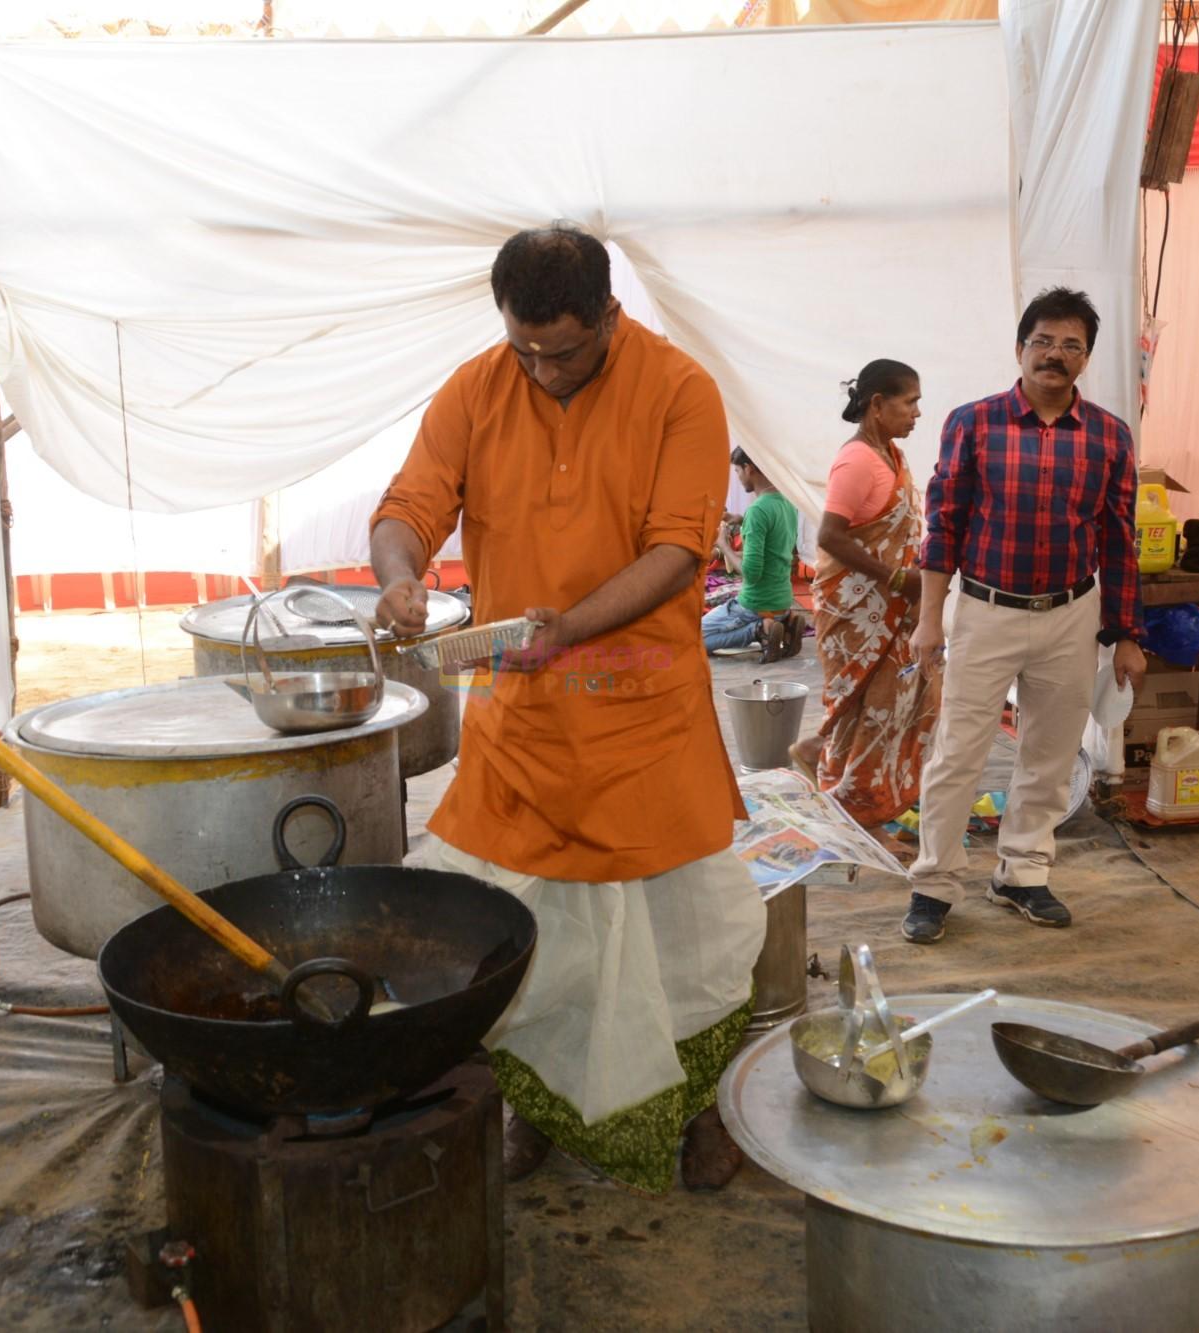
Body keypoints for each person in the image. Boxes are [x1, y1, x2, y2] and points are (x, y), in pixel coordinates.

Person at [370, 225, 765, 1195]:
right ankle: (533, 1111)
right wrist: (397, 577)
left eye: (564, 351)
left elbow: (678, 549)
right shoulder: (476, 386)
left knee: (688, 937)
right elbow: (410, 503)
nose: (541, 369)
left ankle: (700, 1113)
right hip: (522, 723)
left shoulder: (680, 390)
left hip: (646, 716)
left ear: (608, 317)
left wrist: (568, 627)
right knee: (505, 931)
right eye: (524, 349)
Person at [902, 287, 1147, 944]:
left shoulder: (1109, 436)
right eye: (1044, 341)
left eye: (1071, 345)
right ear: (1020, 348)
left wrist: (1125, 633)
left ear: (1085, 358)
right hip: (986, 610)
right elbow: (943, 528)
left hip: (1072, 613)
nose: (1055, 355)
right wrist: (931, 619)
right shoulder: (972, 423)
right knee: (959, 751)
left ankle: (1023, 873)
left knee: (1051, 750)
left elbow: (1120, 539)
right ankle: (933, 883)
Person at [791, 360, 940, 828]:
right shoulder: (857, 460)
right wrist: (897, 579)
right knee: (868, 713)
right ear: (878, 405)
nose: (917, 412)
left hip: (889, 610)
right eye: (909, 401)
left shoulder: (889, 455)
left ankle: (821, 755)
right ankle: (852, 815)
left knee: (878, 708)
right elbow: (830, 537)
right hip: (859, 612)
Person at [700, 447, 804, 661]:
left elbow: (751, 573)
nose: (738, 478)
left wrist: (723, 546)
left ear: (749, 468)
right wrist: (741, 519)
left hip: (756, 604)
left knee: (693, 640)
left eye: (737, 471)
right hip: (782, 601)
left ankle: (759, 630)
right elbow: (774, 550)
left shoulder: (757, 510)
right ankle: (785, 624)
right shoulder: (787, 502)